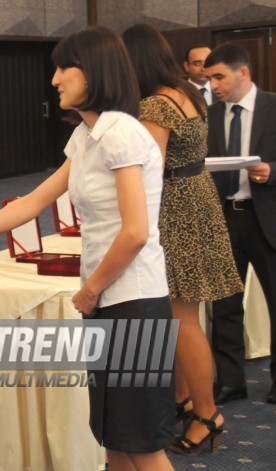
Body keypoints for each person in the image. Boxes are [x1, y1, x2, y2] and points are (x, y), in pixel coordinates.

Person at [0, 26, 174, 471]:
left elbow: (136, 232)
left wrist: (91, 290)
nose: (55, 79)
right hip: (109, 299)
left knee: (143, 444)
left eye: (64, 68)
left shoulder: (122, 133)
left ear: (95, 71)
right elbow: (31, 202)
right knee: (113, 439)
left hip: (133, 300)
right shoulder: (87, 136)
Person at [122, 24, 241, 456]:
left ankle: (208, 414)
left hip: (175, 210)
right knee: (183, 317)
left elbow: (147, 170)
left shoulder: (155, 104)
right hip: (197, 201)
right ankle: (186, 401)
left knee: (181, 320)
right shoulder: (187, 92)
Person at [204, 43, 276, 406]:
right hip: (223, 219)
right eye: (209, 78)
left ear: (242, 72)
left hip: (267, 221)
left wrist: (271, 172)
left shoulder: (273, 107)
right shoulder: (210, 115)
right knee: (225, 307)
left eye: (219, 76)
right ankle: (231, 382)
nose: (213, 85)